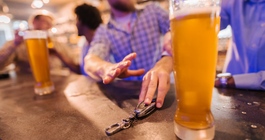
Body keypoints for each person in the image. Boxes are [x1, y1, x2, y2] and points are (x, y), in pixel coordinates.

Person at [83, 0, 173, 108]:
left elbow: (177, 30)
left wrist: (165, 62)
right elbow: (90, 60)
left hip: (163, 90)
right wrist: (106, 68)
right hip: (129, 101)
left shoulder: (153, 10)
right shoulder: (104, 31)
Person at [0, 10, 80, 74]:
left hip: (56, 82)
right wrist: (14, 44)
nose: (49, 27)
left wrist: (58, 55)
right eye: (46, 22)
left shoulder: (55, 43)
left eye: (51, 24)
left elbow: (74, 61)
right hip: (26, 85)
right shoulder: (18, 43)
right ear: (34, 21)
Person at [214, 0, 265, 90]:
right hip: (228, 92)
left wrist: (236, 81)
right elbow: (208, 25)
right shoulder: (233, 2)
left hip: (229, 87)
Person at [74, 4, 103, 75]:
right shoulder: (85, 43)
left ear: (82, 20)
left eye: (76, 19)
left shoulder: (103, 43)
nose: (75, 24)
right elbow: (83, 70)